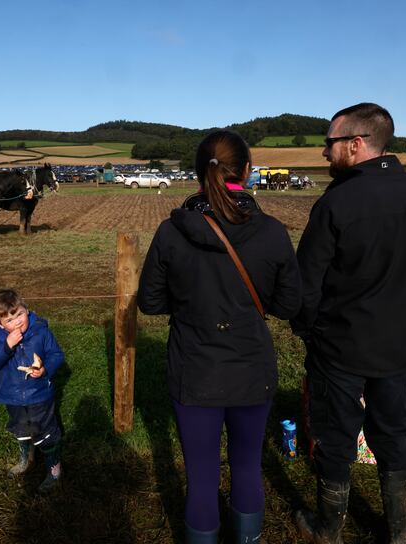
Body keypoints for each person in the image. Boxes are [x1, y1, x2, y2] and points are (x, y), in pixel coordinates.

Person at [289, 103, 406, 544]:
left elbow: (307, 285)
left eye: (330, 144)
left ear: (356, 144)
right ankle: (400, 529)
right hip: (397, 344)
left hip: (338, 346)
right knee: (393, 428)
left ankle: (328, 527)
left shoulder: (337, 202)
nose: (325, 153)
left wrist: (307, 328)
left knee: (336, 432)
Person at [138, 130, 302, 543]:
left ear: (197, 173)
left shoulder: (171, 233)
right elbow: (287, 305)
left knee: (201, 475)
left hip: (195, 373)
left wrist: (193, 302)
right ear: (247, 172)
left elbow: (151, 303)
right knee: (247, 466)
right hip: (252, 370)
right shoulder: (273, 233)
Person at [0, 289, 65, 493]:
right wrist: (7, 346)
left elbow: (56, 354)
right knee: (21, 429)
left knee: (45, 431)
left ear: (26, 311)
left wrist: (45, 369)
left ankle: (54, 467)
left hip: (38, 394)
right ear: (0, 324)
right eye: (9, 319)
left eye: (19, 314)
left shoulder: (41, 332)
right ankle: (26, 459)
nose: (17, 322)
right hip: (12, 396)